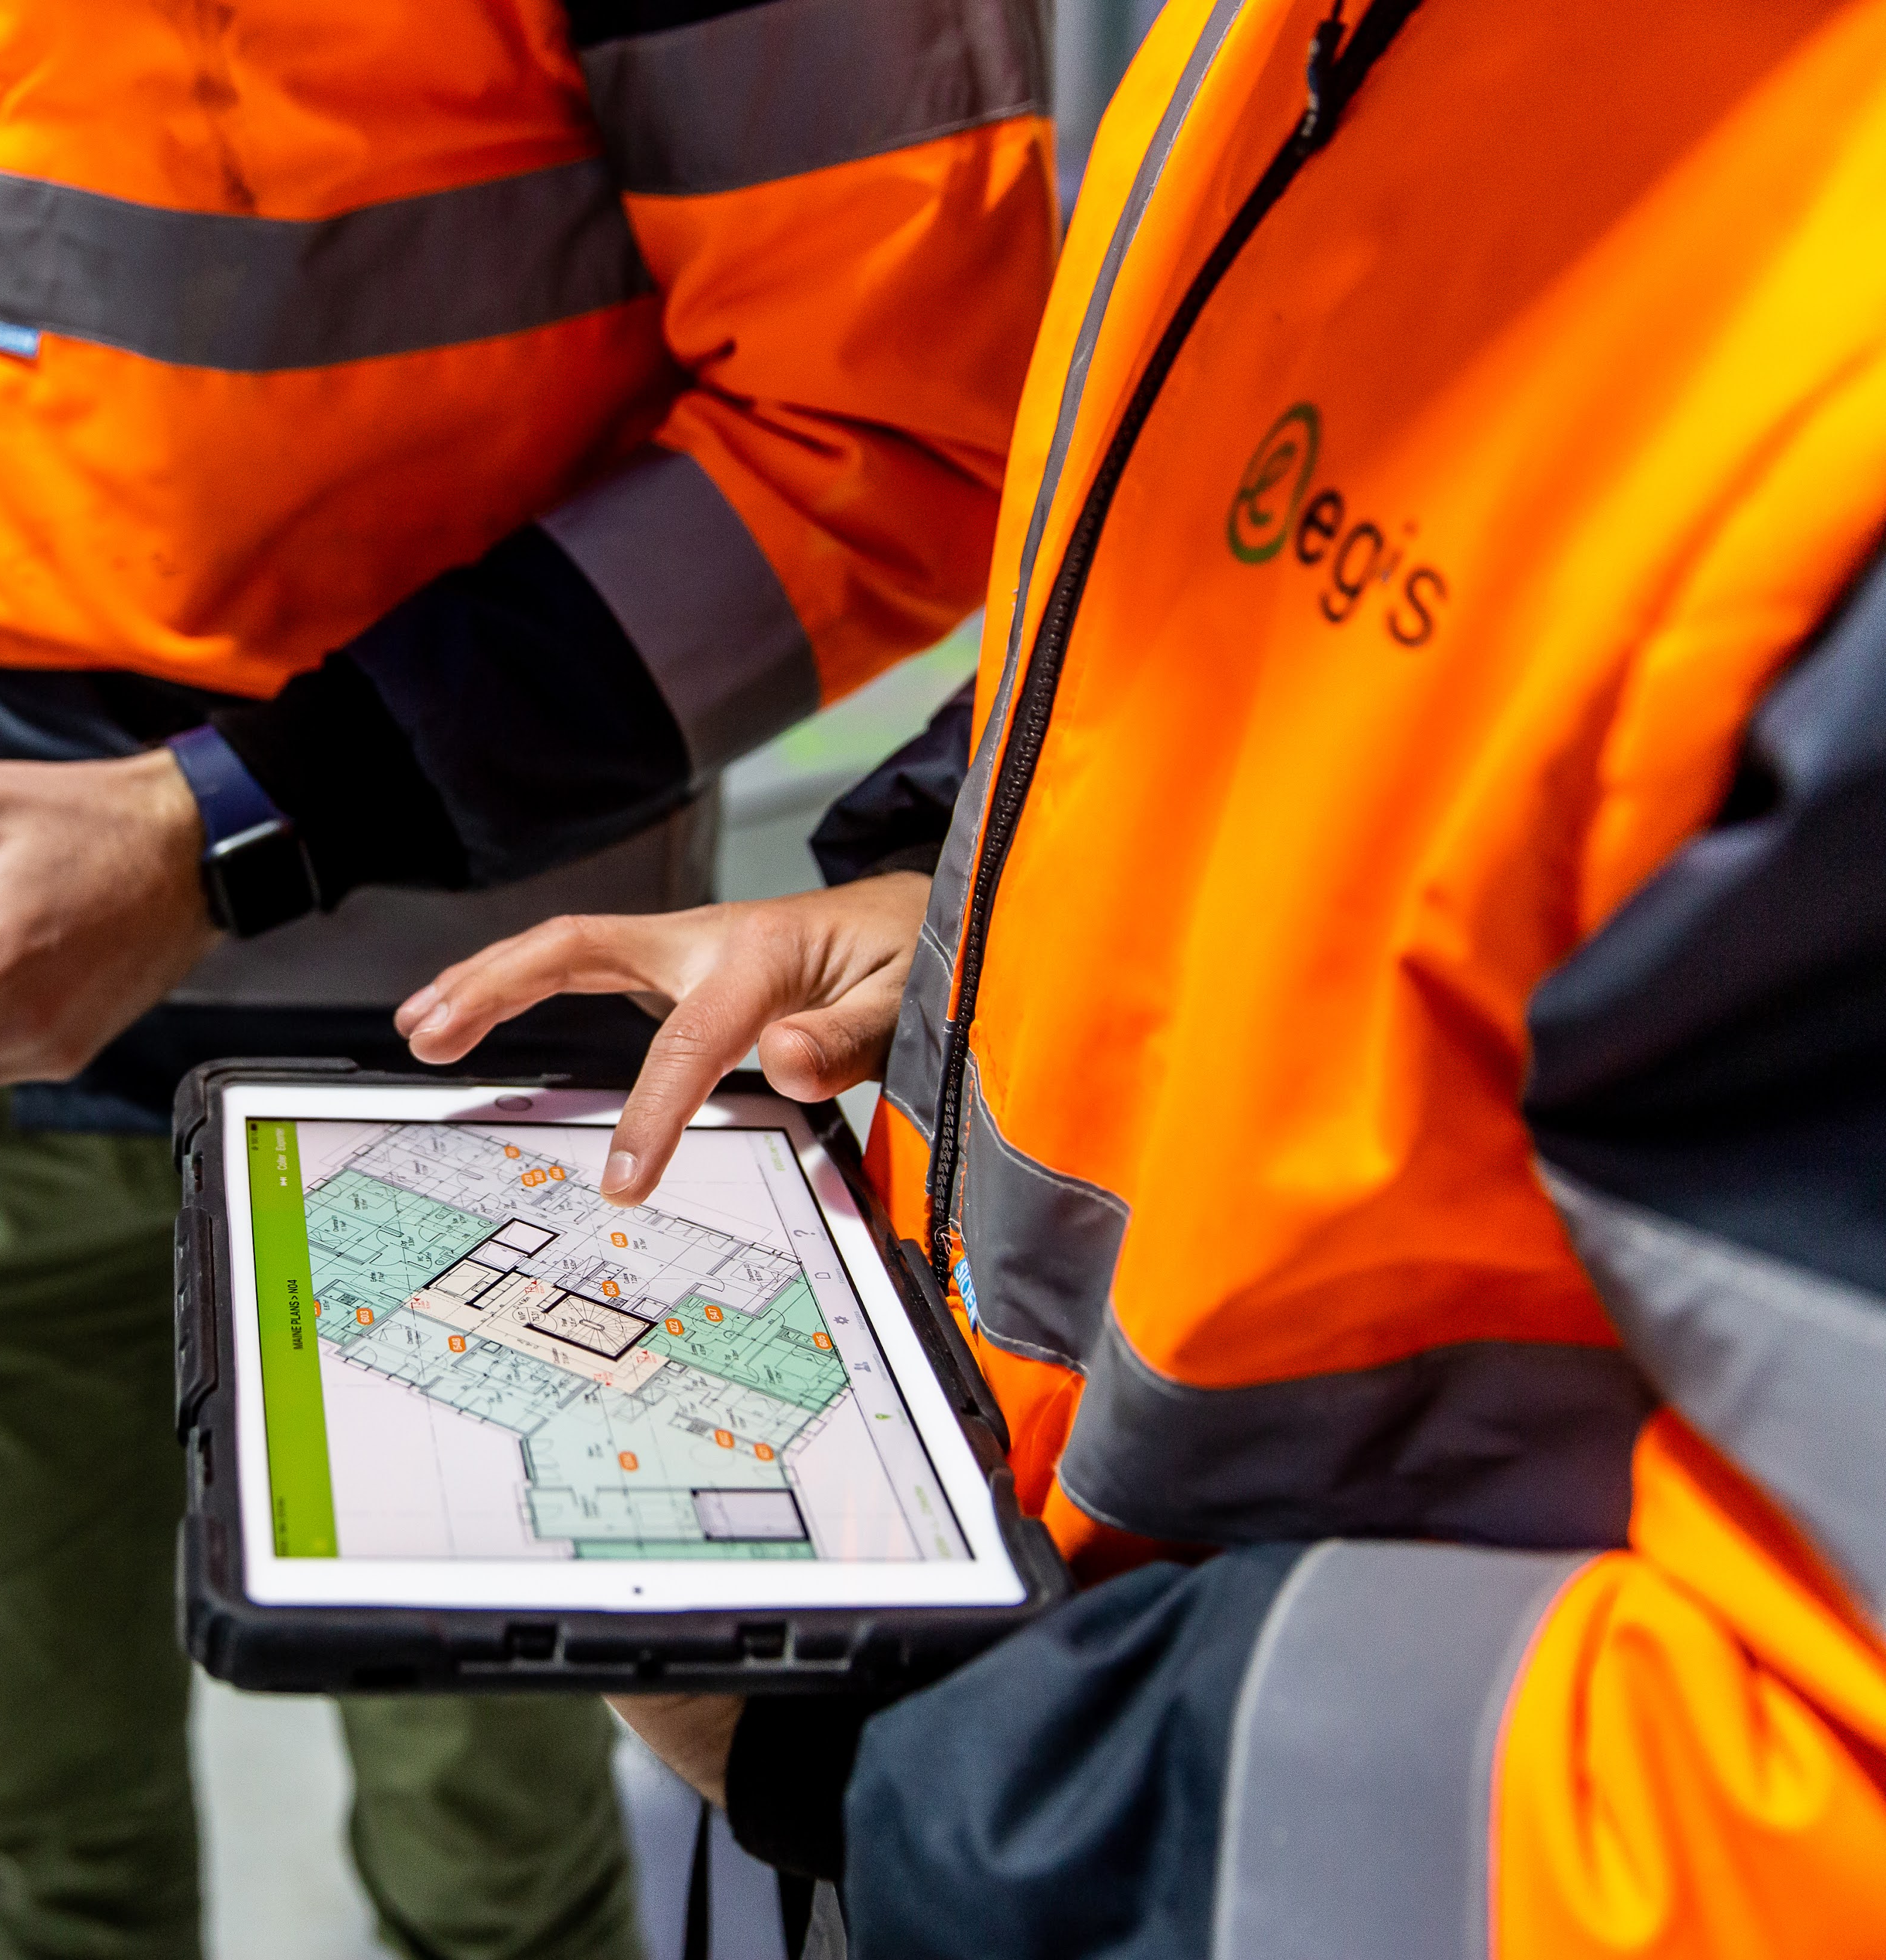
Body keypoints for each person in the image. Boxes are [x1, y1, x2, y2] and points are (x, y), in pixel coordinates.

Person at [0, 1, 1059, 1953]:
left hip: (452, 1056)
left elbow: (887, 427)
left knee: (487, 1866)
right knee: (36, 1803)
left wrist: (240, 818)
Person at [398, 0, 1886, 1952]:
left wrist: (902, 1753)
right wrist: (961, 877)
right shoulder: (1290, 33)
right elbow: (1223, 605)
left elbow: (1807, 1808)